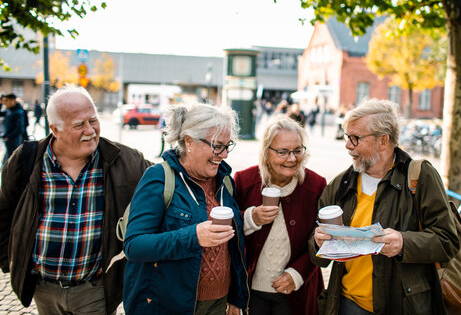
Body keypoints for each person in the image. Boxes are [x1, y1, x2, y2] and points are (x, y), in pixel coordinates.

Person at [0, 85, 152, 315]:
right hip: (44, 288)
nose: (90, 130)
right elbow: (4, 212)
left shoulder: (126, 160)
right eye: (79, 125)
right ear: (55, 129)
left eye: (93, 120)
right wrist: (10, 262)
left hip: (95, 289)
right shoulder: (27, 159)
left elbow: (163, 185)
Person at [309, 99, 459, 315]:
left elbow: (448, 241)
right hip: (348, 305)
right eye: (346, 137)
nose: (348, 145)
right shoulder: (341, 184)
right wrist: (318, 242)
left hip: (404, 306)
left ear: (383, 141)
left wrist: (404, 243)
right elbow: (316, 257)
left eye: (355, 138)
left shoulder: (419, 176)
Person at [122, 103, 249, 315]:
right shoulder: (159, 178)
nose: (224, 154)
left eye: (228, 146)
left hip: (218, 304)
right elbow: (134, 246)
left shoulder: (224, 181)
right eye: (217, 146)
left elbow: (233, 247)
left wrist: (237, 295)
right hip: (169, 306)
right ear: (189, 141)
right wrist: (194, 237)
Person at [234, 114, 326, 315]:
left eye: (297, 150)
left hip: (298, 292)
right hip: (252, 292)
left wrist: (298, 273)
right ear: (267, 152)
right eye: (283, 152)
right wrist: (251, 218)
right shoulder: (244, 181)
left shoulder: (316, 185)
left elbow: (323, 239)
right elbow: (230, 234)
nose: (292, 159)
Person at [1, 93, 25, 165]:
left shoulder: (18, 112)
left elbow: (19, 128)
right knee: (8, 160)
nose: (5, 103)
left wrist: (9, 137)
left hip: (14, 140)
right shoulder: (9, 110)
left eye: (6, 101)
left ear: (12, 100)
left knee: (13, 160)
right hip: (8, 139)